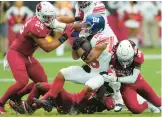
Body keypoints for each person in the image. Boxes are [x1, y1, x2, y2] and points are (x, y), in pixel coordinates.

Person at [32, 14, 118, 115]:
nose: (85, 28)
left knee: (89, 87)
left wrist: (79, 47)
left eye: (88, 26)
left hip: (101, 75)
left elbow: (89, 59)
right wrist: (75, 45)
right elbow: (75, 57)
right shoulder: (87, 35)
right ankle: (49, 100)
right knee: (62, 73)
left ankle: (75, 106)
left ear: (96, 28)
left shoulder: (102, 40)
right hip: (90, 70)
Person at [0, 1, 75, 114]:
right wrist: (64, 37)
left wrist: (79, 18)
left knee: (41, 83)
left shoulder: (44, 19)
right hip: (17, 53)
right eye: (47, 17)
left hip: (27, 55)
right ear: (40, 15)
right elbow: (47, 47)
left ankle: (18, 98)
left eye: (51, 16)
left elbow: (61, 19)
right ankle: (1, 103)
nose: (50, 19)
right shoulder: (34, 26)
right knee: (22, 82)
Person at [104, 40, 161, 114]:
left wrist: (117, 79)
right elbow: (104, 69)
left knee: (159, 103)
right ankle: (148, 104)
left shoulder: (138, 56)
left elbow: (133, 79)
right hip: (126, 87)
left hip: (138, 81)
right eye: (122, 60)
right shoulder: (111, 57)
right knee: (135, 109)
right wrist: (110, 75)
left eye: (127, 60)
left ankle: (154, 103)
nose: (125, 64)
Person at [9, 82, 115, 114]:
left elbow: (107, 104)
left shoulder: (105, 99)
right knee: (38, 85)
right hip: (69, 101)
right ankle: (28, 107)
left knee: (57, 87)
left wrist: (104, 86)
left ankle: (42, 103)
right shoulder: (95, 89)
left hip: (71, 104)